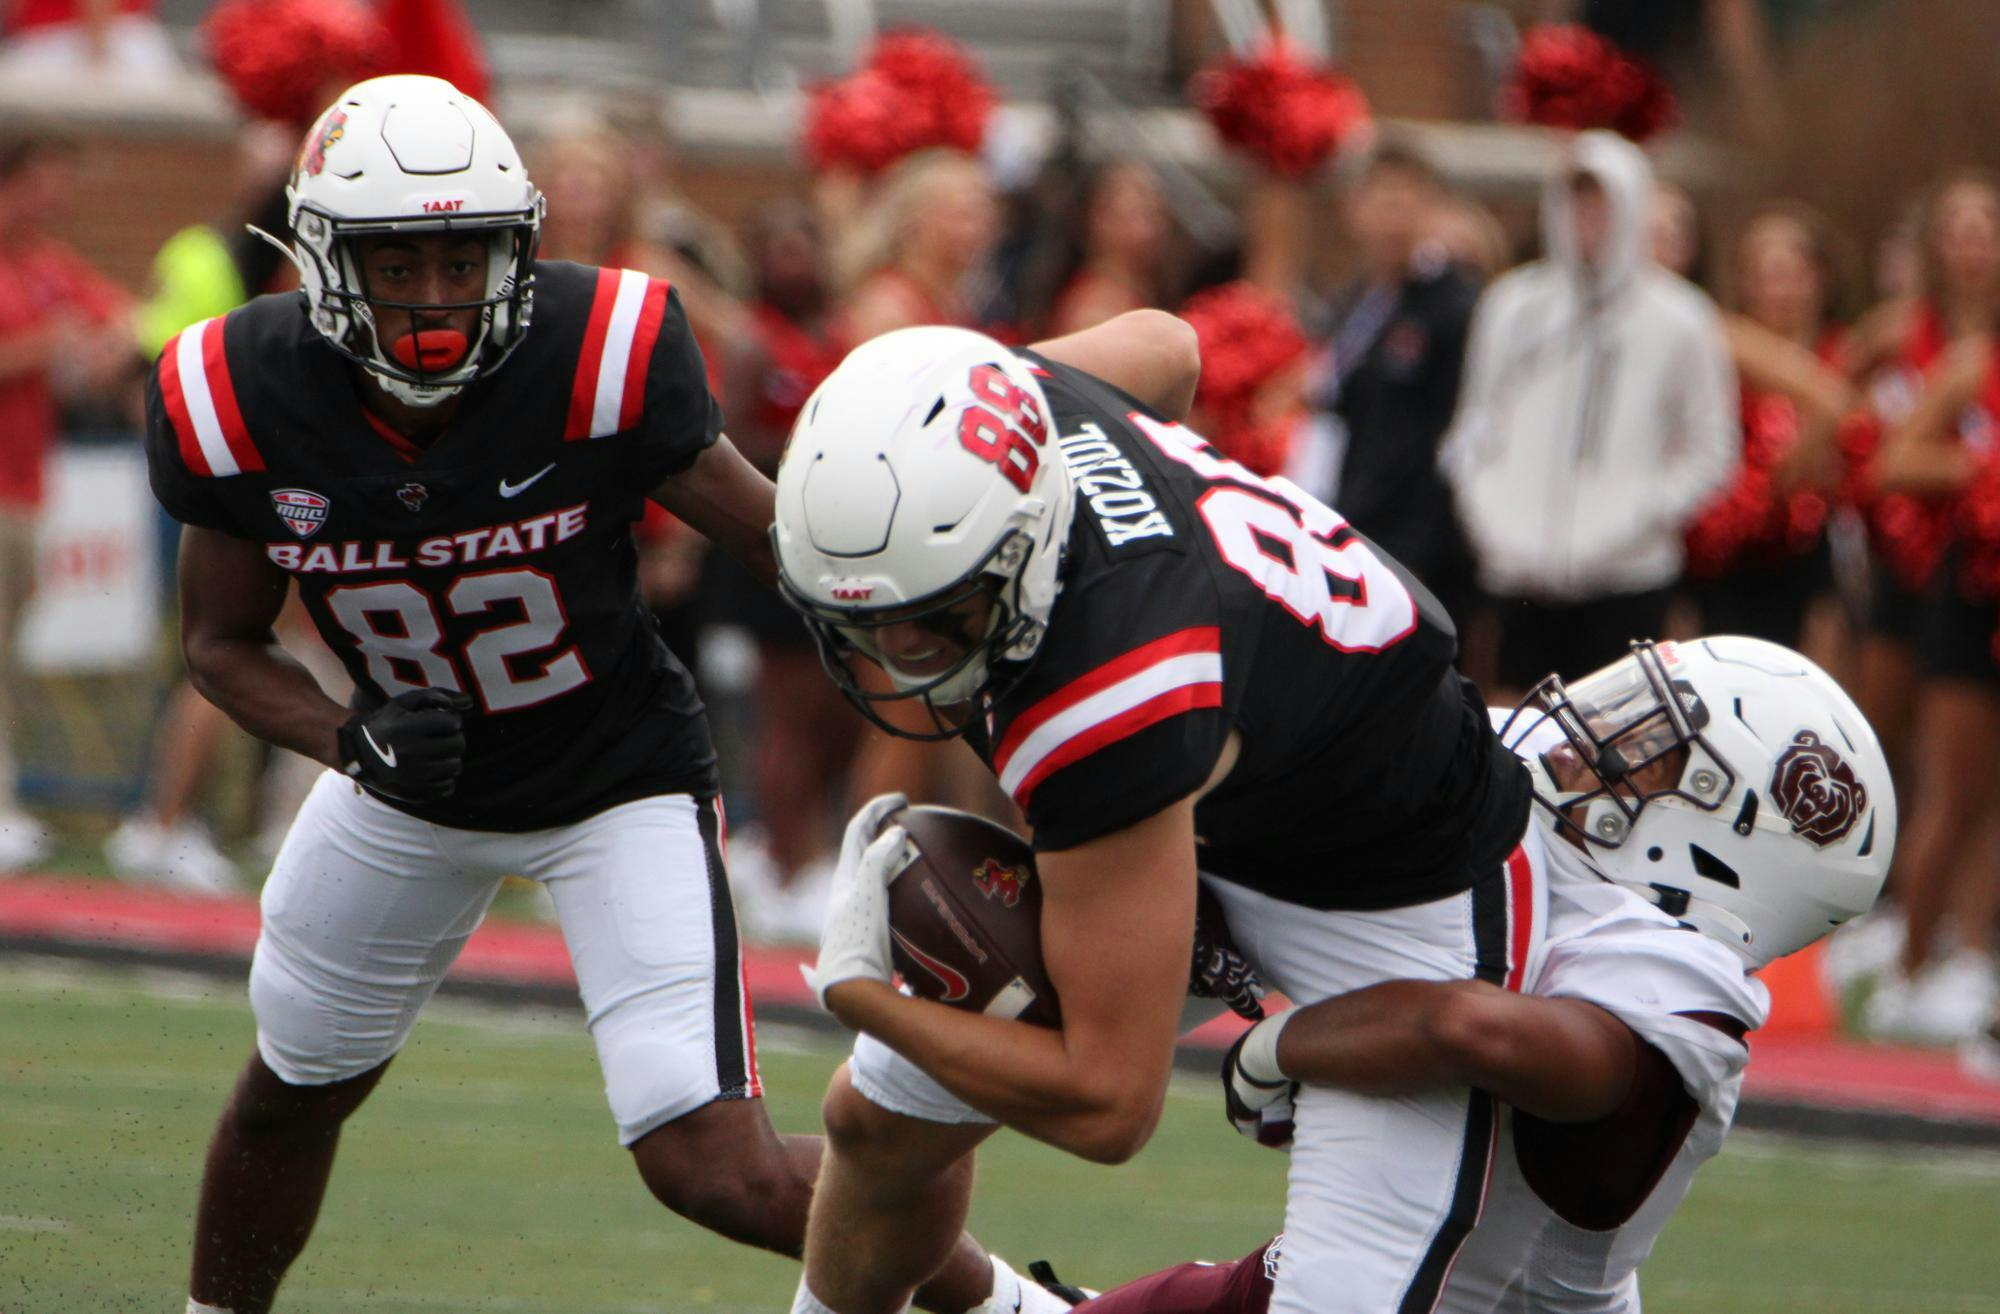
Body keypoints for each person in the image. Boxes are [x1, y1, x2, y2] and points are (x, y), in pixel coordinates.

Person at [144, 76, 1015, 1314]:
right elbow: (221, 645)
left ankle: (1010, 1308)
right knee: (292, 1092)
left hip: (616, 778)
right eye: (401, 266)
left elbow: (776, 538)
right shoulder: (234, 392)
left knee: (717, 1173)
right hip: (407, 789)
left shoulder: (598, 349)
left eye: (466, 259)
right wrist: (347, 737)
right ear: (326, 257)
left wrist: (930, 627)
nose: (439, 298)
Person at [774, 314, 1537, 1314]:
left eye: (934, 618)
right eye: (863, 624)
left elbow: (1107, 1103)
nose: (896, 655)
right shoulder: (1017, 410)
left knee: (1467, 1290)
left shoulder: (1108, 695)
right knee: (876, 1127)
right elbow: (1164, 344)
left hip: (1405, 891)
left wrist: (861, 996)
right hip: (1230, 784)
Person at [1051, 637, 1894, 1314]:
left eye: (1654, 749)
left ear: (1723, 845)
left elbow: (1470, 1028)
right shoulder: (1568, 859)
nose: (1600, 735)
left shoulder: (1679, 974)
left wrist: (1277, 1046)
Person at [1440, 130, 1739, 694]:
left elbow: (1712, 451)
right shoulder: (1512, 307)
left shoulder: (1680, 319)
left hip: (1627, 578)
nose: (1589, 219)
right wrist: (1494, 520)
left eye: (1603, 202)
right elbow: (1473, 431)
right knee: (1521, 736)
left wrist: (1634, 516)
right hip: (1520, 574)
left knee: (1621, 743)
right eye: (1577, 201)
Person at [0, 133, 133, 870]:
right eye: (40, 183)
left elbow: (117, 313)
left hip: (27, 487)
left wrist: (110, 342)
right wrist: (45, 346)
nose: (53, 200)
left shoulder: (44, 263)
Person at [1316, 140, 1481, 628]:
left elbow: (1457, 433)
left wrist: (1422, 543)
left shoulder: (1453, 305)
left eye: (1405, 202)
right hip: (1355, 519)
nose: (1392, 218)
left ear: (1430, 208)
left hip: (1417, 540)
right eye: (1380, 202)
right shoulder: (1355, 303)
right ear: (1354, 210)